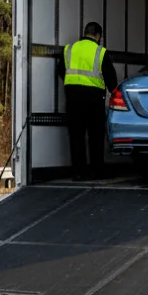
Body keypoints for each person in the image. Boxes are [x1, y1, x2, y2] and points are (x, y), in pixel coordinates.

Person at [57, 22, 118, 180]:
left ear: (85, 33)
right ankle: (96, 171)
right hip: (94, 99)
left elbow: (60, 71)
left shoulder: (69, 49)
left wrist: (73, 84)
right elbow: (111, 79)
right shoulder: (100, 51)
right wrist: (112, 91)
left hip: (72, 98)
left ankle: (79, 172)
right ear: (98, 36)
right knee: (95, 137)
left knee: (76, 136)